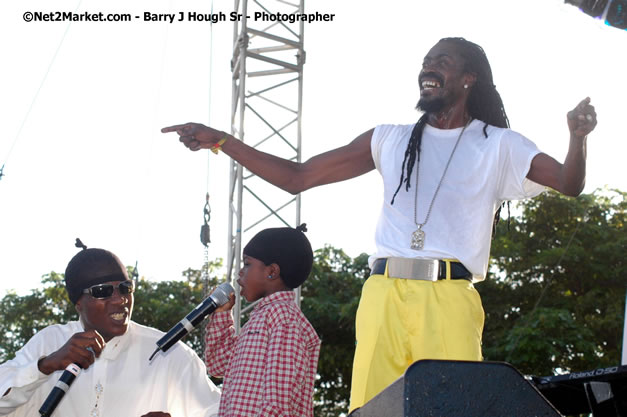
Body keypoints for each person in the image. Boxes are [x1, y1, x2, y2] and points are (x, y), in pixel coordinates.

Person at [162, 37, 597, 412]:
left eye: (442, 61)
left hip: (447, 296)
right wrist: (221, 139)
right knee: (372, 410)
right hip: (382, 293)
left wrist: (577, 139)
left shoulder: (499, 145)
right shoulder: (389, 138)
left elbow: (568, 183)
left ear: (469, 78)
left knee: (451, 406)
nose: (429, 68)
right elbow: (298, 177)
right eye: (426, 61)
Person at [0, 243, 221, 417]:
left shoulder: (170, 353)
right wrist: (45, 366)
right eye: (103, 291)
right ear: (78, 302)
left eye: (126, 288)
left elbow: (219, 411)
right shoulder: (50, 341)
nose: (120, 300)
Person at [204, 225, 320, 417]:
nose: (239, 272)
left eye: (247, 264)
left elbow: (278, 401)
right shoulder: (258, 320)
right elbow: (217, 365)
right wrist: (222, 315)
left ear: (272, 272)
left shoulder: (284, 319)